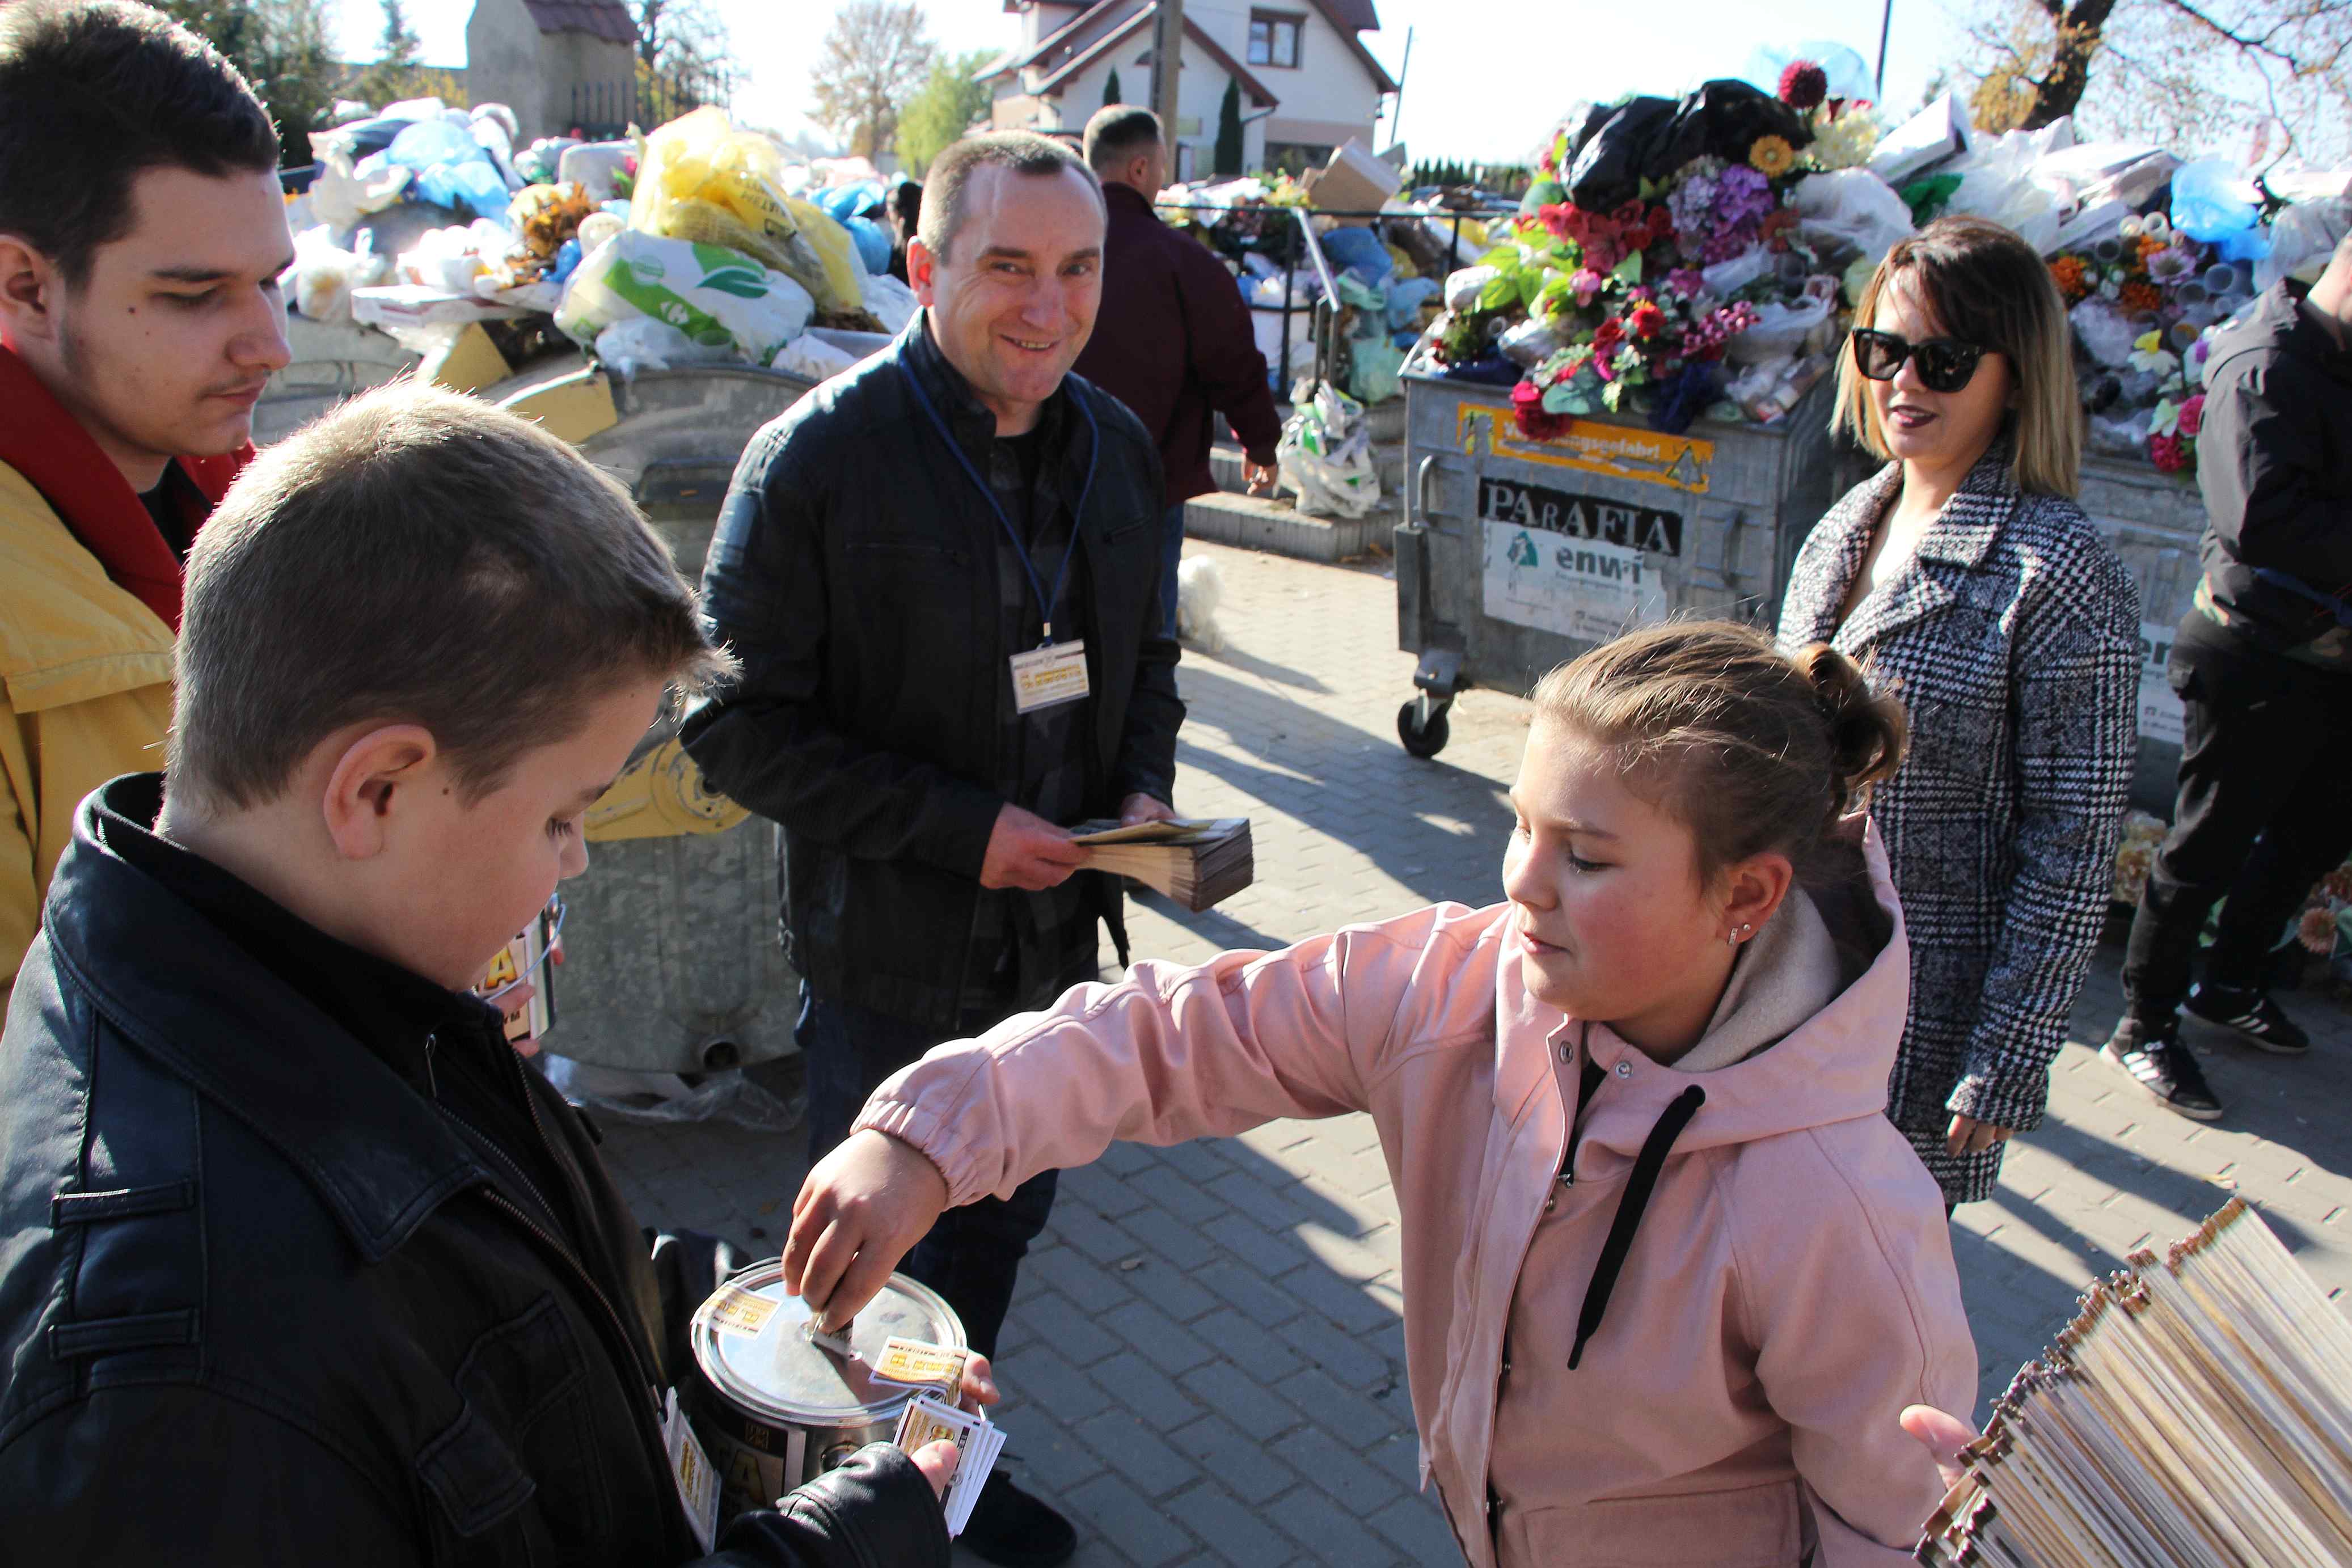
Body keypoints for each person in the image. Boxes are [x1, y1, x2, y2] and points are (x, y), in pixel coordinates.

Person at [0, 381, 981, 1564]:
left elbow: (496, 1287)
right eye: (564, 814)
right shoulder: (175, 1377)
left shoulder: (328, 972)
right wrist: (849, 1547)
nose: (569, 865)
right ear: (376, 789)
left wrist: (746, 1323)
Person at [786, 621, 1979, 1567]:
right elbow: (1185, 1030)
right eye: (1521, 824)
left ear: (1748, 895)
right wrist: (933, 1134)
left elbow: (1892, 1527)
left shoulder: (1838, 1207)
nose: (1524, 881)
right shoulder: (1458, 984)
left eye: (1590, 855)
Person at [680, 130, 1182, 1568]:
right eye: (1007, 266)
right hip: (887, 967)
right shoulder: (819, 461)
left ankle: (940, 1473)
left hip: (1052, 952)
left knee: (999, 1234)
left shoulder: (1117, 446)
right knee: (877, 1253)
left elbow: (1146, 654)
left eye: (1076, 268)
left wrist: (1136, 791)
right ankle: (846, 1508)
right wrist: (964, 831)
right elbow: (728, 730)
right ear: (924, 268)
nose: (1047, 304)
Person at [1778, 214, 2139, 1207]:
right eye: (1884, 351)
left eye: (1942, 361)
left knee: (1859, 1295)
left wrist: (2009, 1054)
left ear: (2014, 374)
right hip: (1779, 970)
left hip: (1919, 1012)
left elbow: (2071, 845)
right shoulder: (1846, 525)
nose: (1903, 383)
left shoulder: (2058, 571)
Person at [0, 0, 294, 1005]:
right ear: (25, 285)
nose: (269, 344)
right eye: (193, 294)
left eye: (270, 284)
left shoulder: (259, 521)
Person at [2105, 227, 2352, 1114]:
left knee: (2311, 838)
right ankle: (2142, 1025)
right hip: (2251, 649)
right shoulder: (2263, 361)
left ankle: (2229, 985)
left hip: (2327, 659)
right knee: (2204, 845)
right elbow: (2264, 522)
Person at [1070, 105, 1281, 637]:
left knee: (1054, 622)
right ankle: (1135, 717)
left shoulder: (1049, 252)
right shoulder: (1182, 261)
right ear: (1140, 169)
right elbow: (1232, 360)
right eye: (1162, 166)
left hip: (1046, 473)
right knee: (1146, 640)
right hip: (1147, 480)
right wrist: (1259, 443)